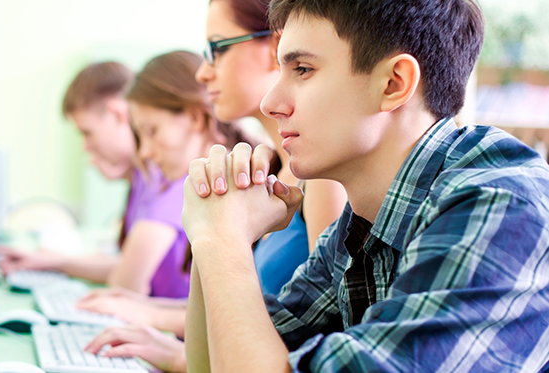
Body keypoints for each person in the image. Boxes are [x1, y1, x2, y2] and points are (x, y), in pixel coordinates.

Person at [182, 0, 549, 371]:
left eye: (303, 69)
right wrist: (214, 222)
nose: (270, 103)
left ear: (394, 83)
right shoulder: (360, 224)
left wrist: (223, 240)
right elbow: (214, 364)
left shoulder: (498, 205)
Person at [81, 1, 347, 370]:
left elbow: (314, 332)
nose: (204, 74)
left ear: (276, 46)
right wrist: (149, 315)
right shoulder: (277, 170)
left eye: (217, 49)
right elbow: (251, 309)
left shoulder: (321, 180)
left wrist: (165, 336)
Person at [0, 62, 189, 298]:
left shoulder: (166, 177)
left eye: (87, 132)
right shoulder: (141, 180)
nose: (85, 146)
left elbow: (125, 281)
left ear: (118, 114)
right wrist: (52, 261)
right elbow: (123, 266)